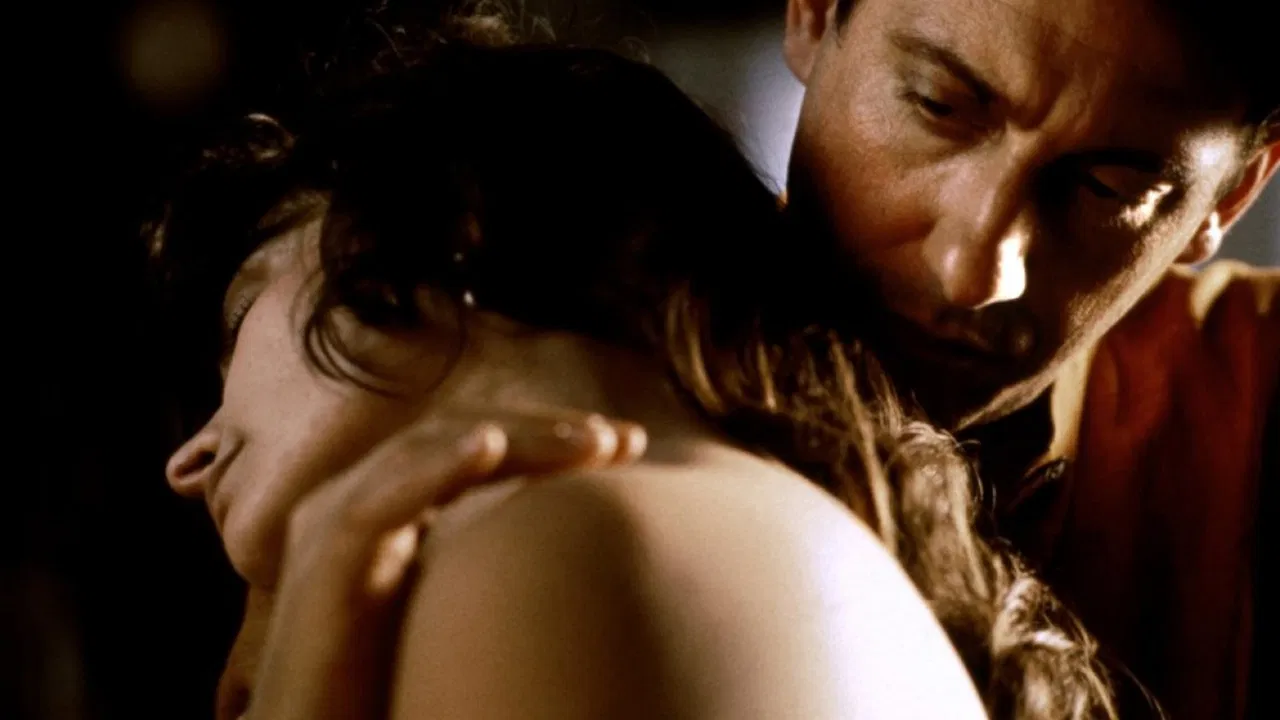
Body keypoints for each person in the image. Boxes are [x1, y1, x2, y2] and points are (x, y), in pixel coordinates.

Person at [153, 16, 1113, 720]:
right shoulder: (728, 530)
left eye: (242, 319)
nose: (189, 462)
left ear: (418, 232)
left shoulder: (569, 537)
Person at [779, 0, 1278, 716]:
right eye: (937, 105)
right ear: (815, 13)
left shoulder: (1251, 399)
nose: (973, 273)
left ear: (1229, 198)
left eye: (1108, 188)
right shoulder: (616, 341)